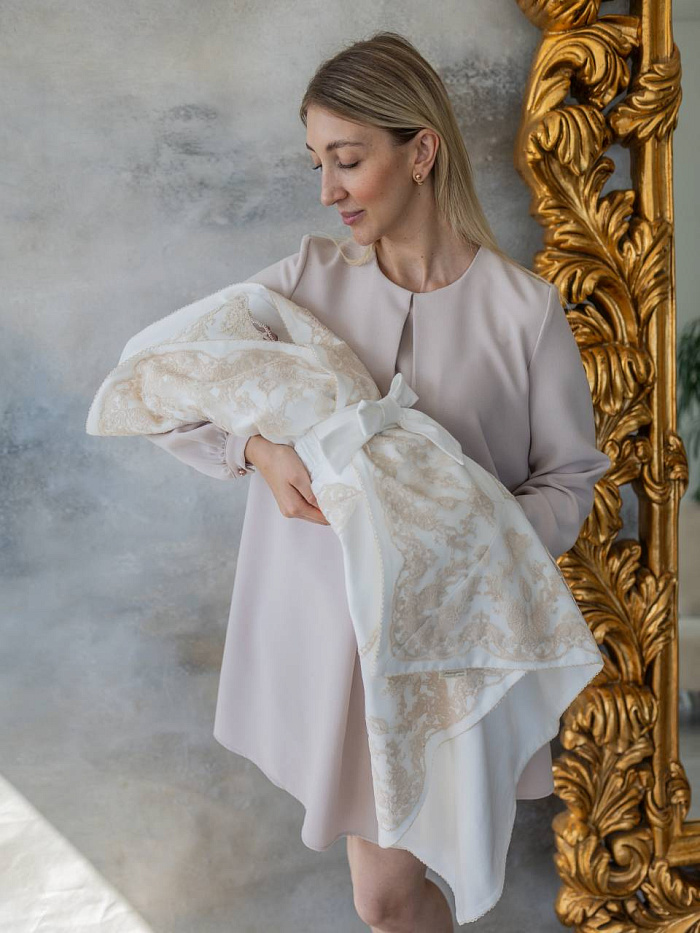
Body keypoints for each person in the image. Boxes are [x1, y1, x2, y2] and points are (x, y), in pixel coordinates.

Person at [144, 31, 610, 932]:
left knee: (403, 895)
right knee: (386, 897)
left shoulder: (524, 310)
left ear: (421, 150)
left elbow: (570, 478)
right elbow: (166, 383)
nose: (327, 189)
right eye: (317, 161)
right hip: (335, 653)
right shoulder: (301, 284)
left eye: (347, 160)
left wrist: (471, 542)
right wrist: (256, 451)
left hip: (455, 652)